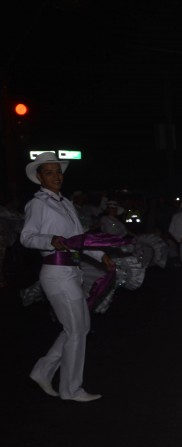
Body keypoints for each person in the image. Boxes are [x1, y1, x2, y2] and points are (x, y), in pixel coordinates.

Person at [21, 152, 113, 402]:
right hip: (56, 272)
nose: (56, 176)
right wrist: (49, 240)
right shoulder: (38, 203)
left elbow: (78, 237)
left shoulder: (64, 202)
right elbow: (26, 237)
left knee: (79, 327)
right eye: (49, 172)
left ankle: (43, 370)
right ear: (39, 177)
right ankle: (71, 389)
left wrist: (99, 254)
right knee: (76, 330)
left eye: (58, 171)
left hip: (72, 271)